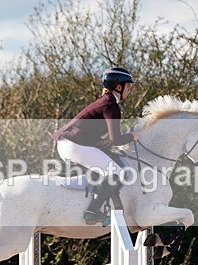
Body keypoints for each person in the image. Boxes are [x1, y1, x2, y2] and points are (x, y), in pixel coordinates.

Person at [52, 67, 140, 224]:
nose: (129, 90)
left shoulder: (106, 102)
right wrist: (132, 136)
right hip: (74, 146)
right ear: (119, 87)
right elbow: (116, 140)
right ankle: (92, 211)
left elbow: (104, 141)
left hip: (70, 144)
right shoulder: (111, 105)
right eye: (128, 86)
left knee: (110, 164)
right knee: (117, 172)